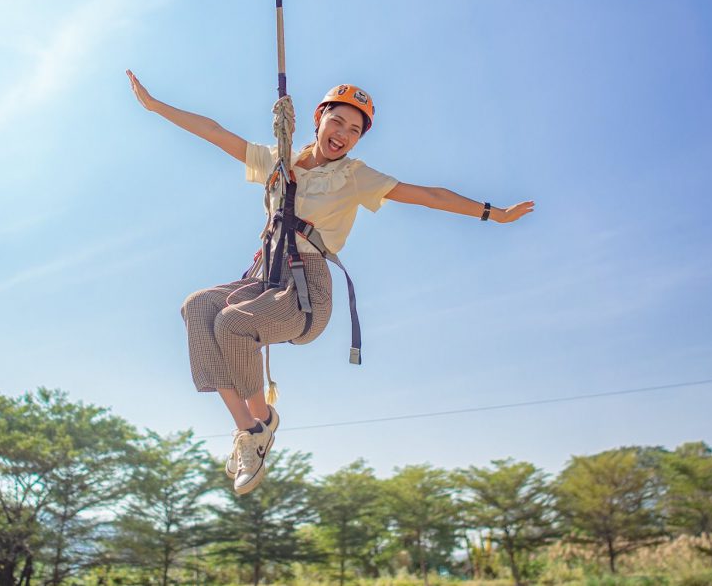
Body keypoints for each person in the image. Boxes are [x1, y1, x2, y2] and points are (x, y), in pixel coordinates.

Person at [126, 70, 534, 494]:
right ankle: (251, 431)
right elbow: (215, 132)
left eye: (355, 131)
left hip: (305, 290)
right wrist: (156, 106)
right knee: (197, 307)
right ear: (319, 118)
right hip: (265, 276)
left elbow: (429, 195)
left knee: (232, 323)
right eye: (337, 122)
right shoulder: (277, 161)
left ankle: (261, 423)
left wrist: (494, 213)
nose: (343, 134)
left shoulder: (353, 176)